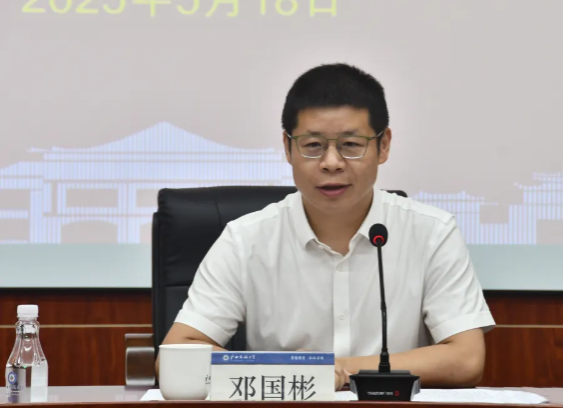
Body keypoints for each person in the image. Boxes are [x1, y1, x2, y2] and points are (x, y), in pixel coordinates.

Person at [159, 63, 496, 390]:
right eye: (313, 146)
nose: (331, 163)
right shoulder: (245, 240)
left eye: (351, 145)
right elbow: (177, 355)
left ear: (383, 146)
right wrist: (296, 375)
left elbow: (466, 359)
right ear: (288, 147)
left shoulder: (431, 232)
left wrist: (333, 371)